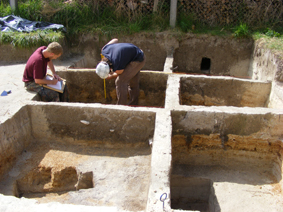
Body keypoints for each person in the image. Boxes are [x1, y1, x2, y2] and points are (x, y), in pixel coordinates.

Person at [96, 38, 145, 105]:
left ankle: (121, 107)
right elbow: (115, 40)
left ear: (110, 69)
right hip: (133, 54)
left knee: (120, 81)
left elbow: (119, 72)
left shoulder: (117, 63)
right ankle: (134, 104)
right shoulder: (104, 49)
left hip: (138, 59)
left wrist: (109, 76)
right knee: (133, 81)